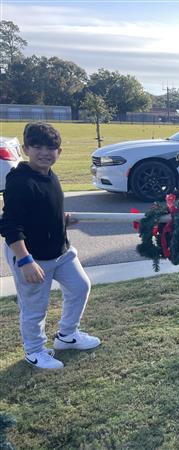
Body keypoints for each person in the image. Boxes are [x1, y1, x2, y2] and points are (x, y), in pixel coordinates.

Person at [0, 122, 100, 370]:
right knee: (35, 307)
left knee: (80, 286)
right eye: (37, 146)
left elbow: (42, 207)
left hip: (61, 251)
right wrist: (25, 261)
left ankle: (67, 336)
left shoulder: (49, 174)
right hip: (31, 256)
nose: (45, 152)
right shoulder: (19, 181)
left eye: (51, 147)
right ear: (25, 149)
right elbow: (11, 225)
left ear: (59, 152)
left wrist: (62, 218)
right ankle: (34, 350)